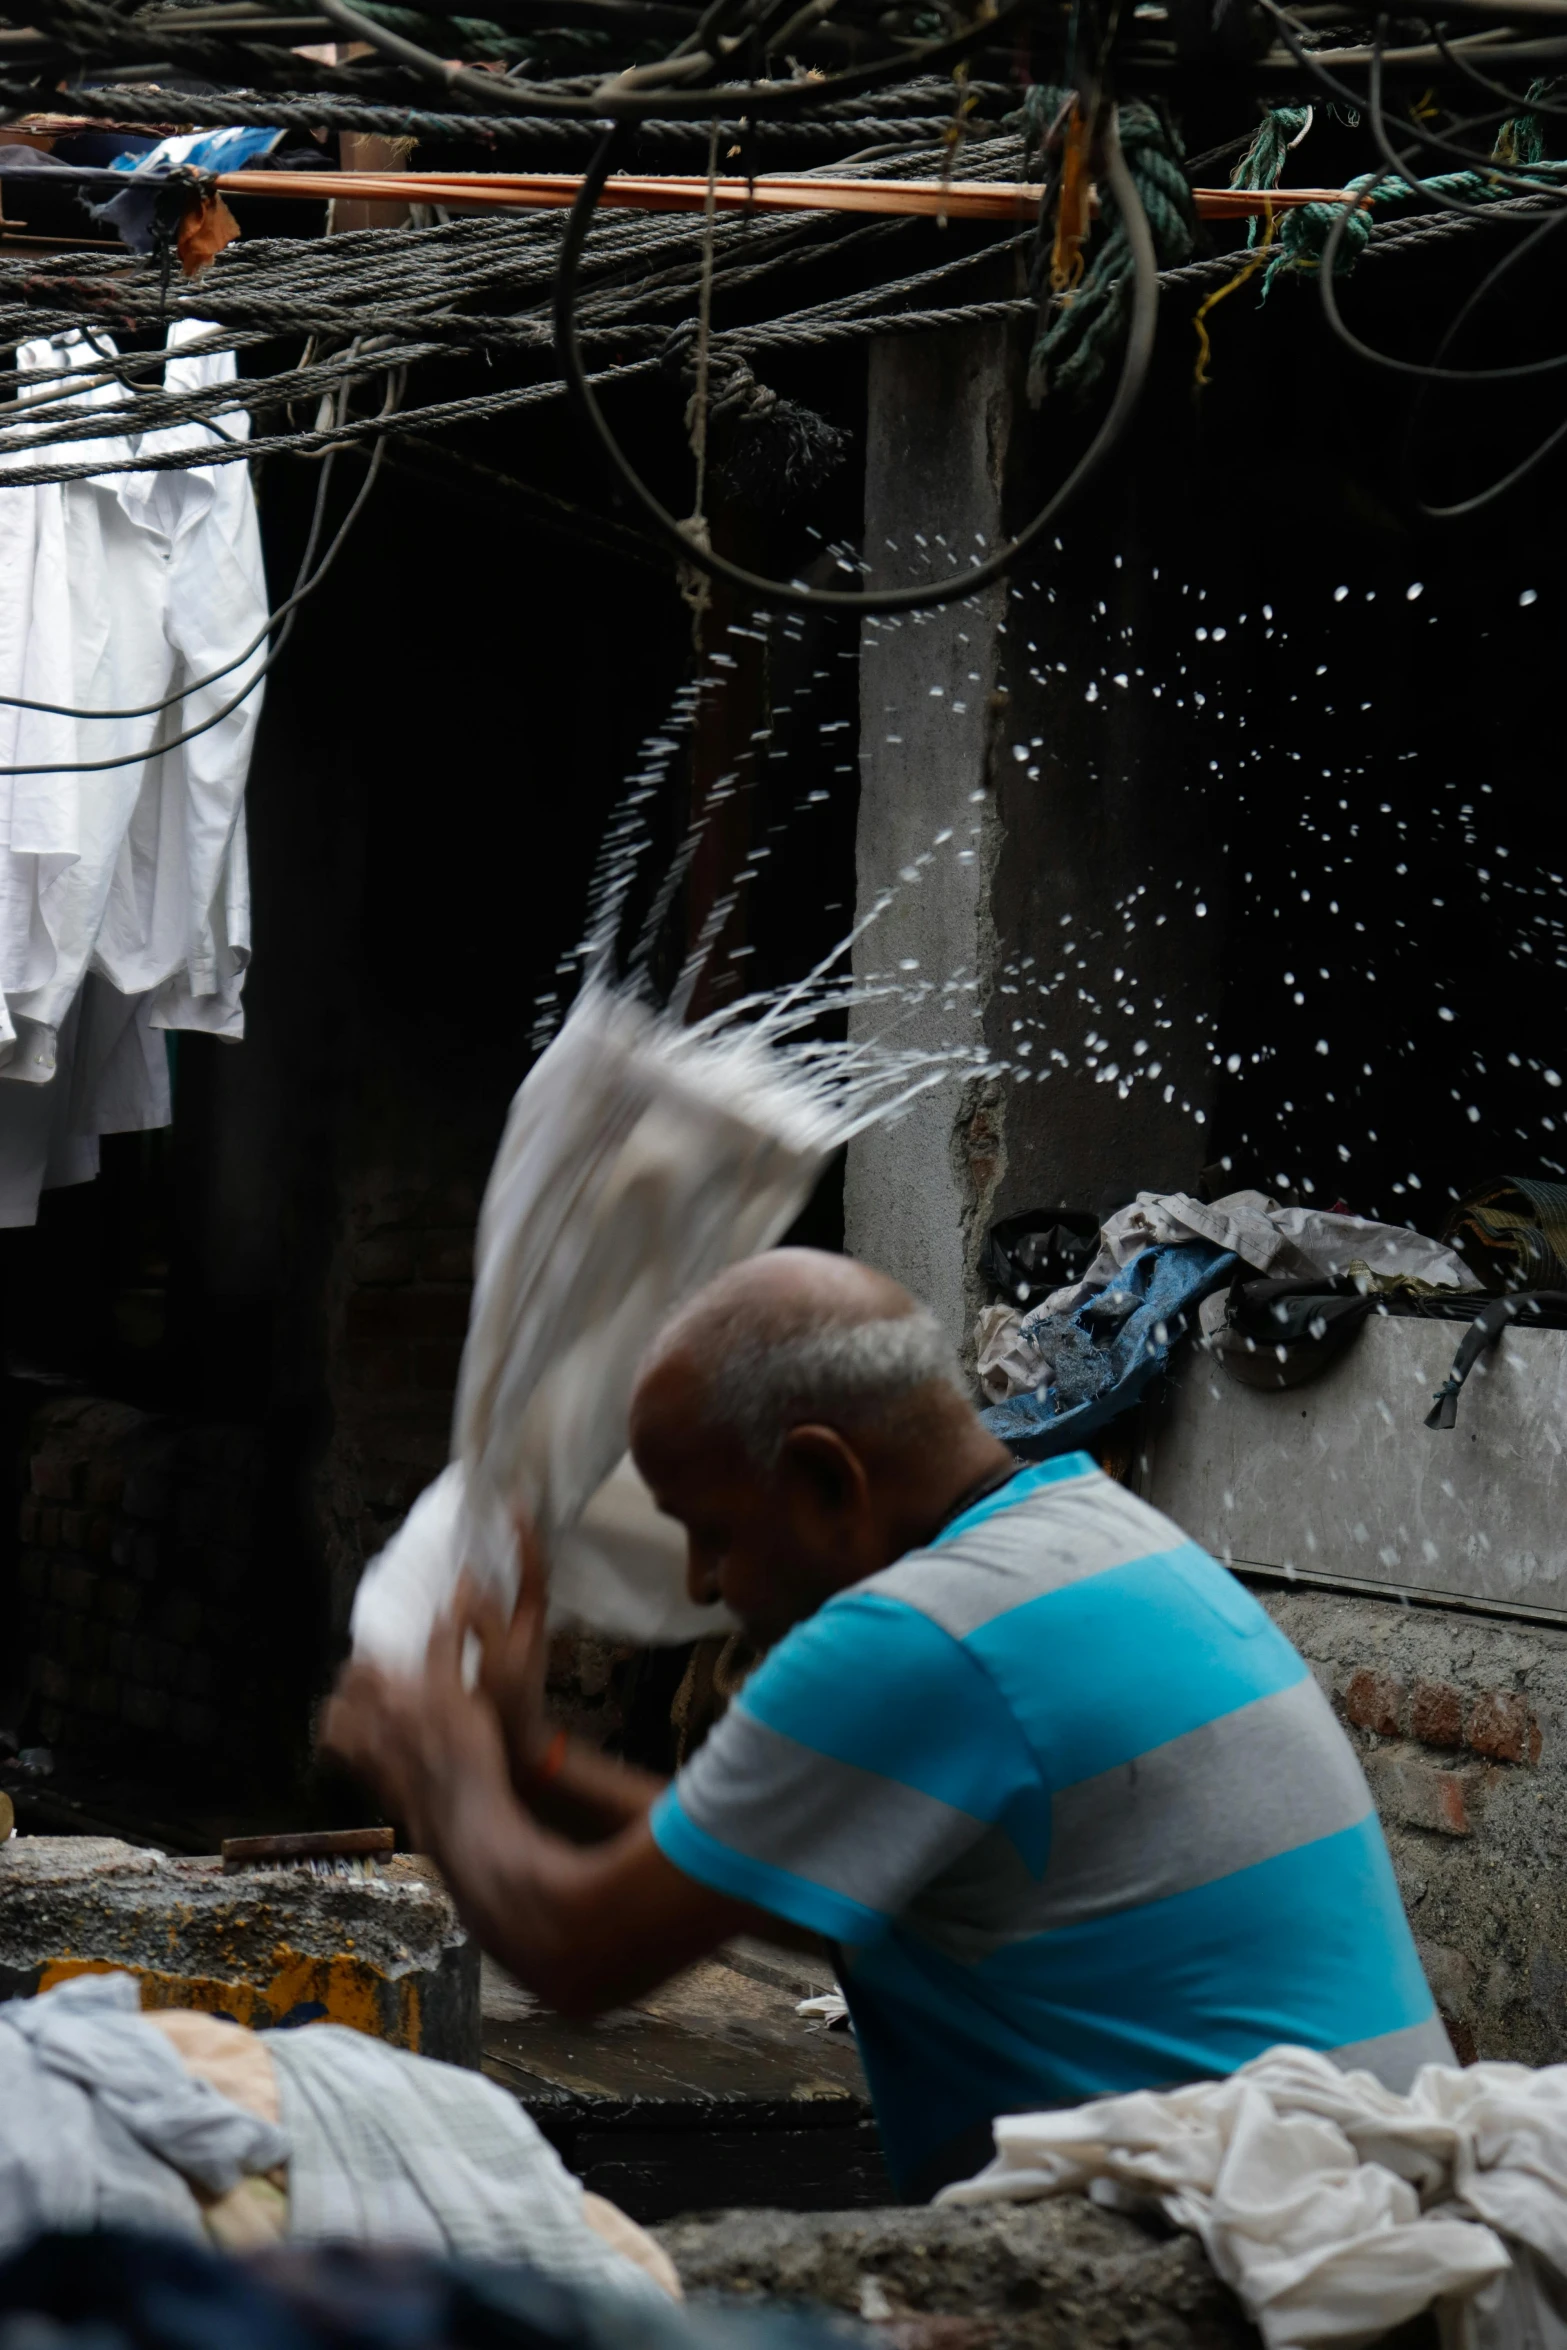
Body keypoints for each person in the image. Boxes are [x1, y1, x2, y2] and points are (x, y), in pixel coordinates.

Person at [322, 1248, 1450, 2203]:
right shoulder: (1091, 1533)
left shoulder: (916, 1638)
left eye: (711, 1529)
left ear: (823, 1475)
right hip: (1369, 2210)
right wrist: (530, 1761)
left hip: (1255, 2260)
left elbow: (577, 1950)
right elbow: (760, 1864)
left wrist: (439, 1761)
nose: (706, 1581)